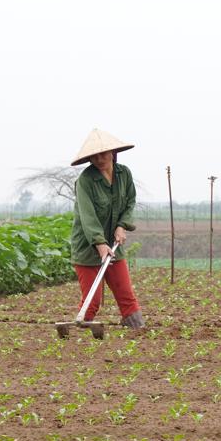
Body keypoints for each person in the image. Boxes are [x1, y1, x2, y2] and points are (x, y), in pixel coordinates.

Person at [69, 128, 145, 329]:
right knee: (92, 301)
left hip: (114, 244)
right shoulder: (85, 181)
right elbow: (88, 216)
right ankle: (82, 335)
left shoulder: (124, 174)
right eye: (94, 156)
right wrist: (100, 244)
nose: (99, 158)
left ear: (113, 153)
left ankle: (139, 331)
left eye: (103, 153)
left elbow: (130, 202)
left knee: (126, 295)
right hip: (87, 248)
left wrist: (121, 226)